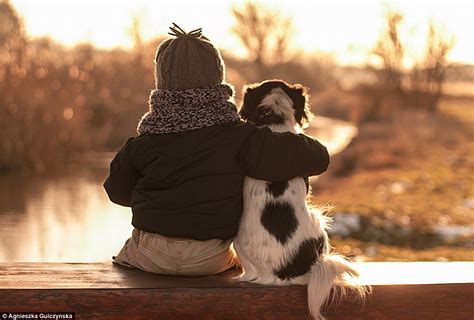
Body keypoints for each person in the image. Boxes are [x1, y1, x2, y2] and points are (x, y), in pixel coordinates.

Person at [104, 24, 330, 276]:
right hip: (210, 258)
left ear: (161, 83)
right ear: (217, 78)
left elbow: (116, 192)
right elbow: (318, 157)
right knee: (237, 262)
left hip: (151, 256)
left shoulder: (144, 141)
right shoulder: (242, 137)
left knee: (126, 254)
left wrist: (157, 197)